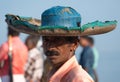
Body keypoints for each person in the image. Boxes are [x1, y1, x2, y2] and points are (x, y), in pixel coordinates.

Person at [5, 6, 116, 82]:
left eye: (57, 40)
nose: (50, 47)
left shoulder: (78, 79)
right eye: (46, 40)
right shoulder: (55, 74)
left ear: (74, 44)